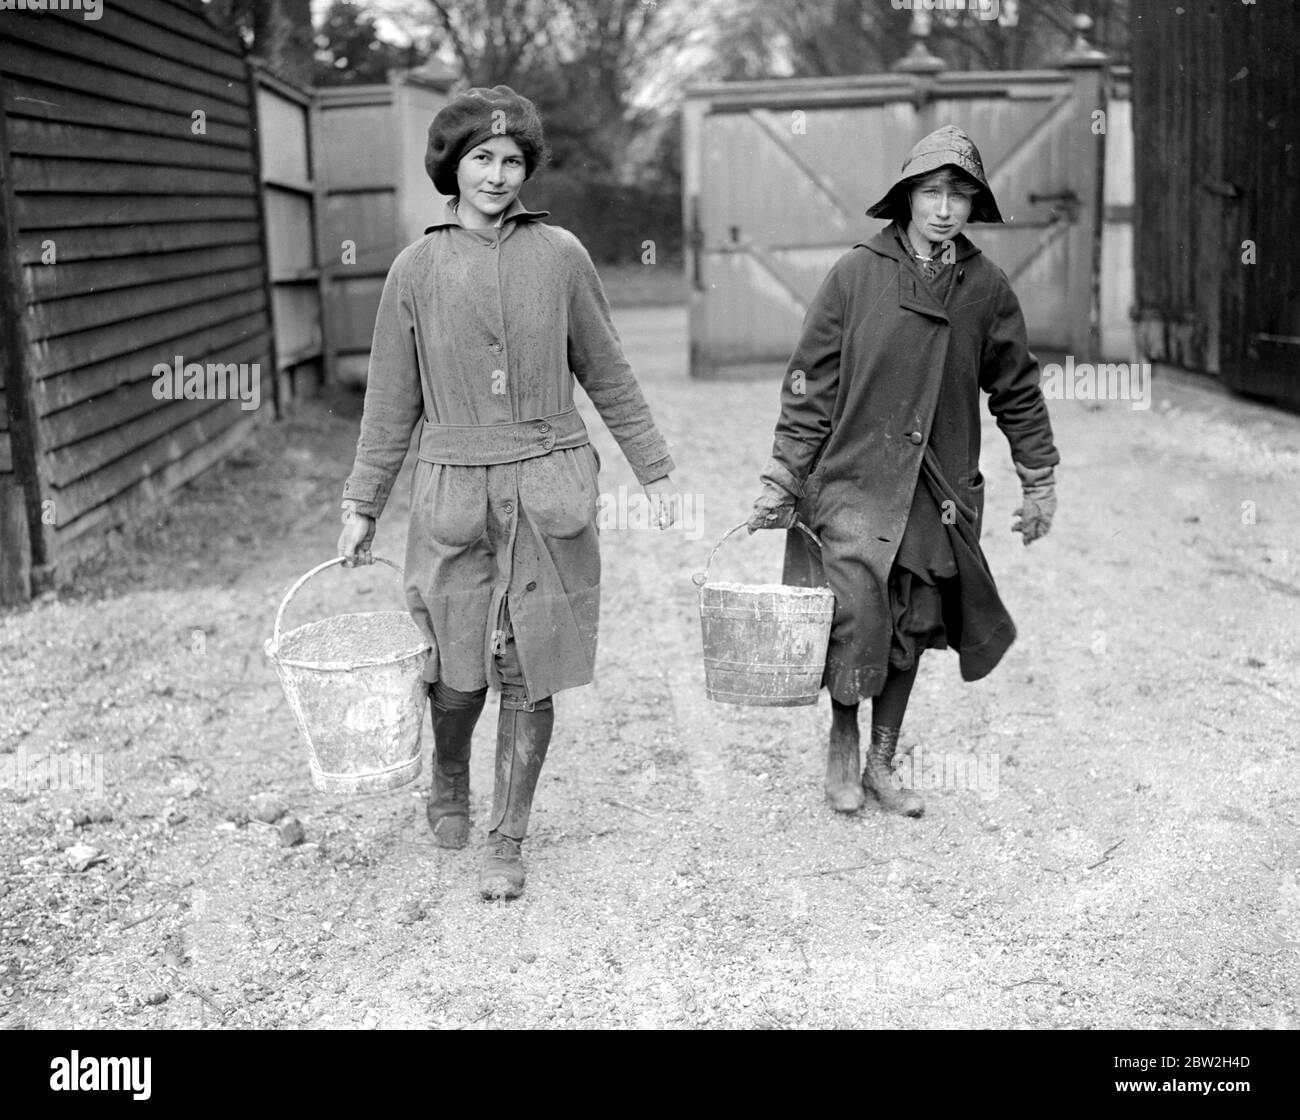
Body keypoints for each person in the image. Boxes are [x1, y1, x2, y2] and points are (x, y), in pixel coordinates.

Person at [337, 86, 677, 899]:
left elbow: (607, 369)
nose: (496, 175)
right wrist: (362, 504)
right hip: (454, 494)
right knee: (458, 674)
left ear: (528, 169)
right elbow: (390, 401)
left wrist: (654, 467)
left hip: (547, 486)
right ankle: (449, 778)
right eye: (481, 159)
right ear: (451, 168)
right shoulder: (414, 269)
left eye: (512, 160)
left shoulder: (561, 254)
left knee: (531, 670)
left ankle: (508, 834)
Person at [749, 125, 1058, 818]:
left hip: (939, 486)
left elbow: (1017, 389)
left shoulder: (985, 288)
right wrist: (783, 476)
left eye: (959, 194)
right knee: (857, 613)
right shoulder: (856, 276)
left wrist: (1039, 478)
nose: (945, 208)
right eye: (931, 193)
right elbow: (809, 385)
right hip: (857, 478)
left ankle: (884, 760)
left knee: (914, 620)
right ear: (907, 199)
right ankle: (842, 739)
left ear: (975, 204)